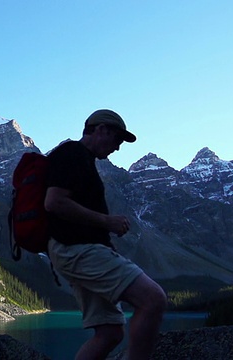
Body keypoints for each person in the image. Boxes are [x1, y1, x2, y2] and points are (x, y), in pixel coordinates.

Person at [44, 109, 167, 360]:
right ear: (100, 130)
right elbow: (54, 202)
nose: (118, 148)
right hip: (77, 250)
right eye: (117, 140)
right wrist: (107, 222)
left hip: (77, 250)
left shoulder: (82, 159)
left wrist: (104, 241)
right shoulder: (73, 154)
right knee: (153, 299)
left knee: (110, 333)